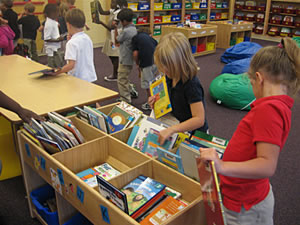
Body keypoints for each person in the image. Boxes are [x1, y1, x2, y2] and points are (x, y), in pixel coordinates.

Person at [200, 38, 300, 225]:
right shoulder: (277, 105)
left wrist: (221, 166)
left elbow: (267, 165)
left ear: (259, 79)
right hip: (246, 195)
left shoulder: (269, 110)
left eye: (251, 83)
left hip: (244, 205)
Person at [148, 32, 208, 145]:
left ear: (180, 63)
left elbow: (199, 119)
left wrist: (172, 129)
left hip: (194, 134)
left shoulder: (191, 84)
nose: (164, 71)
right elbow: (170, 98)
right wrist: (156, 102)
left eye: (168, 68)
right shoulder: (169, 76)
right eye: (162, 67)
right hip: (177, 124)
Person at [49, 8, 97, 83]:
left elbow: (71, 65)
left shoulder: (72, 43)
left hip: (78, 78)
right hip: (89, 76)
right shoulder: (87, 38)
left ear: (68, 25)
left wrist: (56, 72)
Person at [114, 8, 137, 103]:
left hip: (125, 59)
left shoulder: (126, 31)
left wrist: (115, 28)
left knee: (121, 79)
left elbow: (117, 40)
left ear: (124, 21)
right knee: (125, 77)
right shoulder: (133, 28)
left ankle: (126, 99)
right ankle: (130, 91)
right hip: (129, 59)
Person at [132, 27, 158, 110]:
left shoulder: (136, 38)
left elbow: (135, 54)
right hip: (157, 61)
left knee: (148, 84)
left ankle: (152, 103)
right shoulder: (152, 39)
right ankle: (158, 100)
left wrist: (137, 64)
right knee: (155, 82)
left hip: (146, 63)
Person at [43, 3, 64, 68]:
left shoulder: (53, 22)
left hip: (56, 48)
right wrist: (57, 40)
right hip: (52, 50)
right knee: (54, 66)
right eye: (55, 12)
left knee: (59, 64)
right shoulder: (48, 24)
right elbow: (46, 38)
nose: (57, 14)